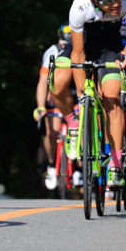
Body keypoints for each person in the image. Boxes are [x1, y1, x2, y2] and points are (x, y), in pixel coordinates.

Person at [50, 0, 126, 188]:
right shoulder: (80, 5)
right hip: (82, 46)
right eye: (109, 1)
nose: (116, 4)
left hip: (110, 49)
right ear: (94, 0)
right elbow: (78, 53)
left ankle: (116, 165)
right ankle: (73, 123)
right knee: (57, 82)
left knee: (112, 97)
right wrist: (83, 96)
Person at [34, 25, 72, 191]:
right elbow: (43, 81)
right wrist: (40, 106)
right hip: (55, 97)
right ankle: (51, 164)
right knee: (52, 132)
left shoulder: (80, 49)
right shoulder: (52, 52)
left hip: (74, 95)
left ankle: (78, 168)